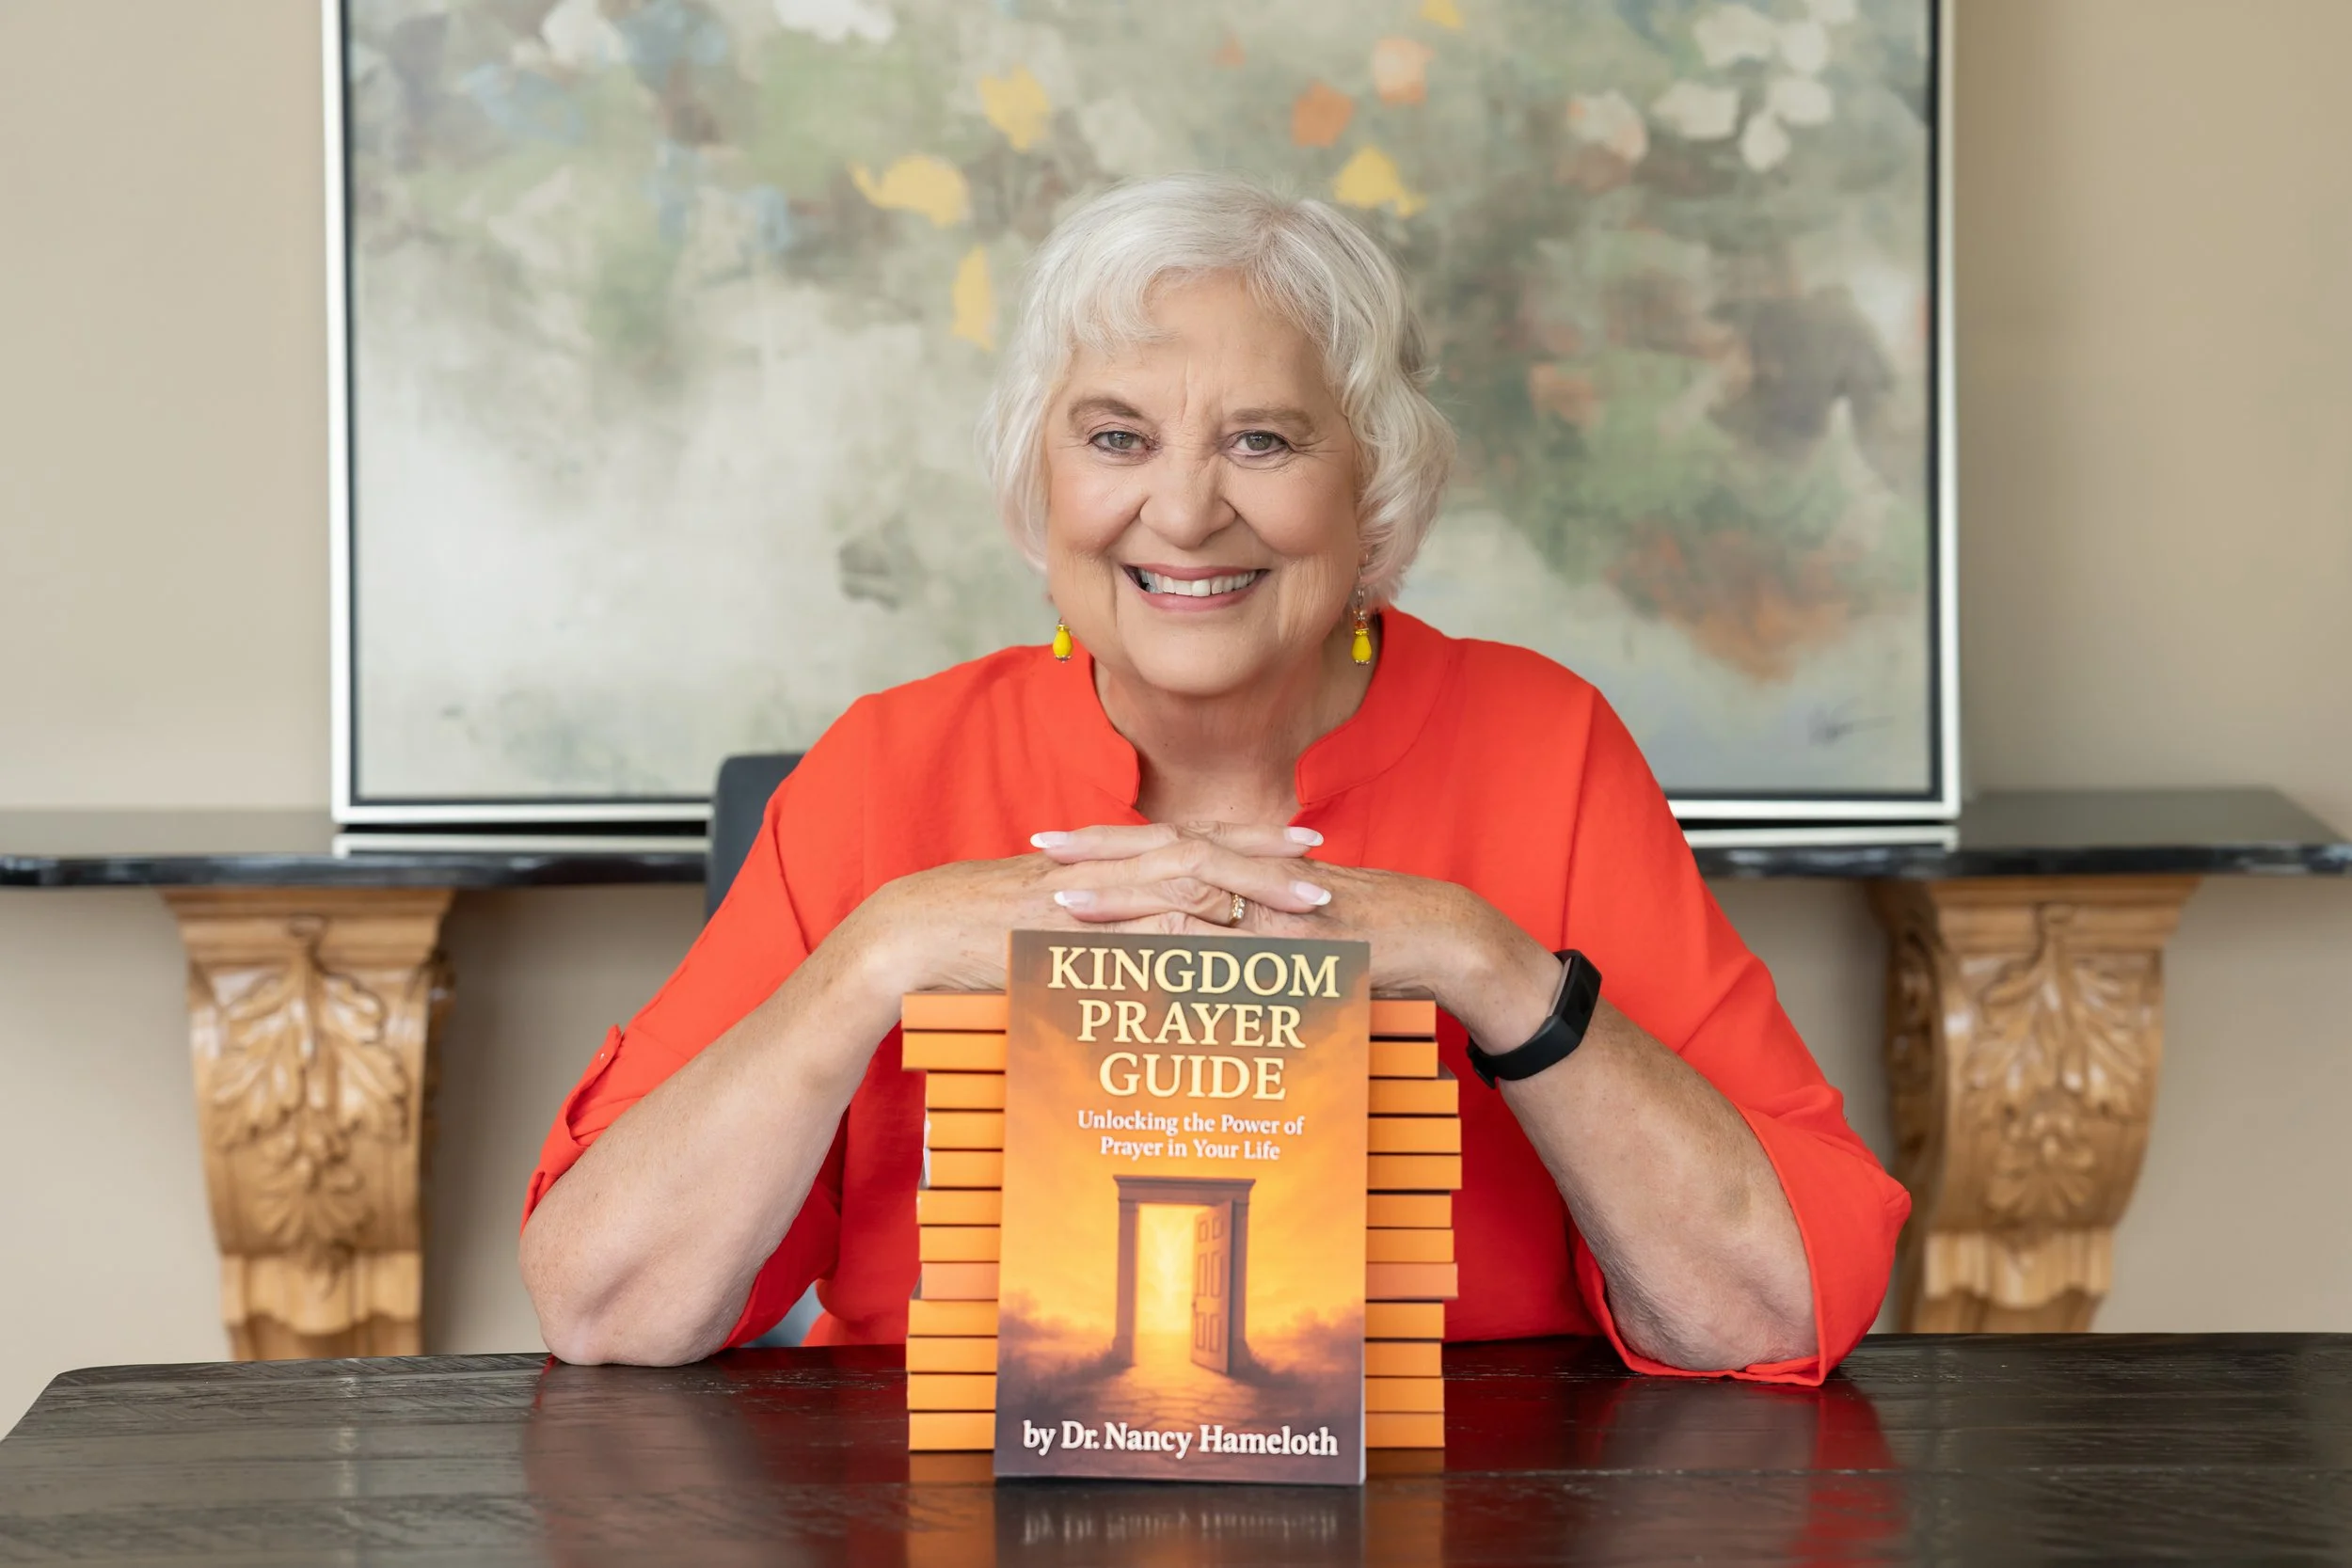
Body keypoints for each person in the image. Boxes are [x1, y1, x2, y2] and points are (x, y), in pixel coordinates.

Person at [519, 172, 1907, 1385]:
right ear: (1037, 481)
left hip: (1477, 1505)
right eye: (1117, 437)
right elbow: (606, 1303)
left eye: (1263, 439)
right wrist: (877, 956)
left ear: (1375, 491)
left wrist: (1482, 960)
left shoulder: (1545, 746)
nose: (1183, 512)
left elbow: (1763, 1309)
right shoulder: (890, 765)